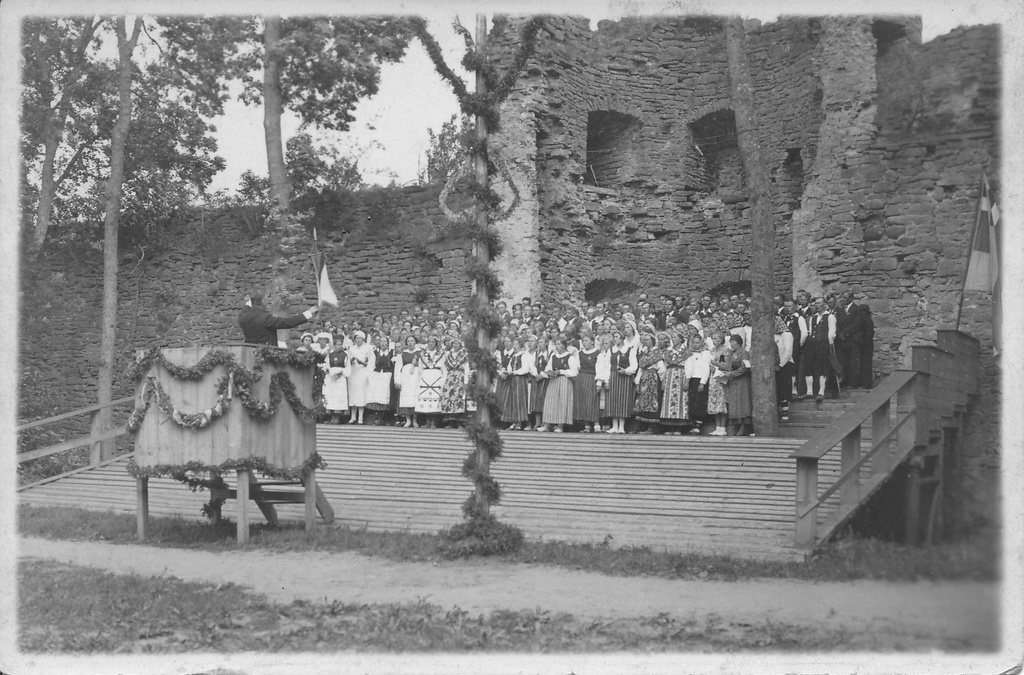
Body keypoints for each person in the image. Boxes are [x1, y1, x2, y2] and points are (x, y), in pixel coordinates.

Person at [238, 292, 318, 346]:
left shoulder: (242, 317)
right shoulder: (265, 318)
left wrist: (250, 301)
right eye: (266, 299)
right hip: (266, 353)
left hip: (249, 353)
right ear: (263, 301)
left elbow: (246, 308)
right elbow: (288, 322)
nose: (268, 302)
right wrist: (309, 312)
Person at [537, 336, 577, 433]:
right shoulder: (553, 356)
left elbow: (574, 372)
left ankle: (560, 425)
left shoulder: (570, 357)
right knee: (550, 402)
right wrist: (548, 373)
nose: (557, 346)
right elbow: (548, 368)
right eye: (556, 344)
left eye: (559, 344)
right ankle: (546, 425)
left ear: (564, 345)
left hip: (564, 381)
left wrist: (561, 371)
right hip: (553, 381)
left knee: (562, 402)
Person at [803, 296, 837, 403]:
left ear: (825, 305)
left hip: (823, 344)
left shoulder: (830, 317)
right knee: (808, 366)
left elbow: (832, 332)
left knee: (823, 367)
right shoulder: (813, 318)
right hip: (812, 345)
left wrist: (829, 343)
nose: (817, 305)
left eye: (819, 303)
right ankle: (809, 392)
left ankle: (821, 392)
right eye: (816, 303)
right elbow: (810, 331)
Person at [605, 329, 637, 434]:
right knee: (613, 400)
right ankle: (614, 426)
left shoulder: (629, 349)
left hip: (624, 378)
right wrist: (607, 380)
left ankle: (621, 427)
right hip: (613, 376)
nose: (615, 339)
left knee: (622, 400)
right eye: (614, 337)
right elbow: (607, 365)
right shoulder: (611, 350)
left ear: (622, 338)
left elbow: (634, 366)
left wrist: (626, 371)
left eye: (617, 337)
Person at [722, 334, 753, 436]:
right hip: (733, 382)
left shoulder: (744, 353)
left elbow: (745, 367)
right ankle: (736, 425)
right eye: (730, 342)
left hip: (742, 381)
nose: (731, 344)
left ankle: (744, 427)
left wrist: (732, 374)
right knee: (735, 403)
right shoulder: (731, 354)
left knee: (742, 403)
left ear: (739, 343)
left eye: (733, 342)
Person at [633, 332, 664, 434]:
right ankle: (642, 426)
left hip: (653, 378)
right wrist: (637, 381)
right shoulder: (644, 352)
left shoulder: (656, 352)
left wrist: (662, 380)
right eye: (644, 340)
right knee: (642, 402)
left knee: (652, 402)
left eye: (648, 340)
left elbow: (661, 368)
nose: (646, 342)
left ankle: (651, 427)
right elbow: (641, 368)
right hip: (644, 378)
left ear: (652, 341)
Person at [415, 334, 446, 428]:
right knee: (426, 397)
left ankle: (433, 422)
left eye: (433, 342)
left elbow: (444, 367)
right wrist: (421, 377)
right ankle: (427, 421)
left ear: (436, 343)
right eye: (429, 342)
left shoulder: (441, 353)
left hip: (436, 375)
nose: (431, 344)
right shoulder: (422, 353)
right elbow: (420, 367)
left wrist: (443, 379)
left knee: (435, 398)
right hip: (426, 375)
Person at [573, 333, 601, 433]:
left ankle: (596, 424)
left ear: (592, 342)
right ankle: (587, 425)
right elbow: (576, 366)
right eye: (583, 341)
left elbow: (600, 369)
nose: (584, 343)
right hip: (581, 378)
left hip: (592, 378)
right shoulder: (580, 353)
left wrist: (599, 382)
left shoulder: (598, 353)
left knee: (592, 401)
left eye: (586, 341)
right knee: (583, 401)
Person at [440, 336, 470, 426]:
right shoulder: (448, 354)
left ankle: (459, 421)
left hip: (460, 377)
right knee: (449, 397)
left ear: (460, 345)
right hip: (450, 377)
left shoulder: (464, 355)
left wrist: (466, 381)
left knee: (458, 397)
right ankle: (450, 421)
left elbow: (466, 368)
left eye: (457, 343)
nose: (455, 345)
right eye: (454, 343)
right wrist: (444, 380)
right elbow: (445, 368)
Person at [366, 334, 394, 425]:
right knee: (378, 396)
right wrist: (371, 377)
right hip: (378, 377)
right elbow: (370, 365)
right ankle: (378, 417)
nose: (383, 343)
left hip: (387, 376)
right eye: (381, 341)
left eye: (385, 341)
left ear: (388, 343)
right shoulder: (375, 353)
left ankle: (385, 418)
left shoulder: (391, 352)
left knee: (386, 396)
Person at [706, 330, 730, 435]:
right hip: (713, 378)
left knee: (722, 402)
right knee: (714, 402)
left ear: (721, 339)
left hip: (721, 377)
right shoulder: (711, 350)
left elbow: (727, 366)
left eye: (716, 338)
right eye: (713, 339)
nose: (714, 341)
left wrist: (716, 364)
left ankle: (723, 427)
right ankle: (717, 427)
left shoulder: (726, 351)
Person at [321, 336, 349, 424]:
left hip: (340, 378)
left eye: (340, 344)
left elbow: (347, 367)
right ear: (334, 345)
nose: (339, 346)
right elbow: (326, 365)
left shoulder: (345, 355)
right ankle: (332, 417)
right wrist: (330, 372)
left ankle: (337, 417)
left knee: (339, 397)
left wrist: (340, 373)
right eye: (337, 344)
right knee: (331, 397)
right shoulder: (330, 355)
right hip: (331, 378)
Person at [394, 335, 421, 427]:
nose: (410, 343)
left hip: (416, 377)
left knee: (415, 397)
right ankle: (408, 420)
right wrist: (397, 381)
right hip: (406, 378)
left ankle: (415, 420)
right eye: (408, 341)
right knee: (406, 398)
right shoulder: (402, 354)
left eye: (412, 341)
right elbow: (398, 369)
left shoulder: (420, 353)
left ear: (415, 342)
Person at [346, 330, 372, 424]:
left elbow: (370, 362)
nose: (358, 340)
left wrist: (363, 363)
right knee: (353, 393)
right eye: (357, 338)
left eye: (360, 338)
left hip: (362, 372)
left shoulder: (367, 348)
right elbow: (347, 361)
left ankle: (360, 417)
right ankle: (353, 417)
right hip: (353, 372)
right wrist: (351, 360)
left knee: (361, 393)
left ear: (363, 339)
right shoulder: (351, 349)